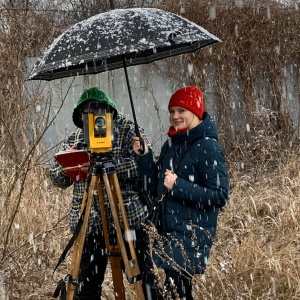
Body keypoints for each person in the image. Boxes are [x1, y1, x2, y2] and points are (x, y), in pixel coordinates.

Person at [49, 87, 163, 300]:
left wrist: (111, 166)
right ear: (80, 115)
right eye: (87, 112)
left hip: (127, 221)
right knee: (86, 288)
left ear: (110, 110)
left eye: (99, 110)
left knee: (145, 283)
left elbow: (144, 166)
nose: (94, 116)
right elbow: (55, 175)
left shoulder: (129, 131)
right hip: (90, 226)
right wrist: (72, 167)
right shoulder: (77, 138)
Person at [133, 85, 229, 299]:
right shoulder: (172, 145)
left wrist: (179, 186)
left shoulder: (207, 146)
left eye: (181, 111)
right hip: (169, 232)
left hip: (190, 235)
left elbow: (220, 195)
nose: (175, 116)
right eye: (172, 111)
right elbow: (155, 187)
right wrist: (145, 156)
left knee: (177, 293)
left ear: (195, 112)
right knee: (174, 293)